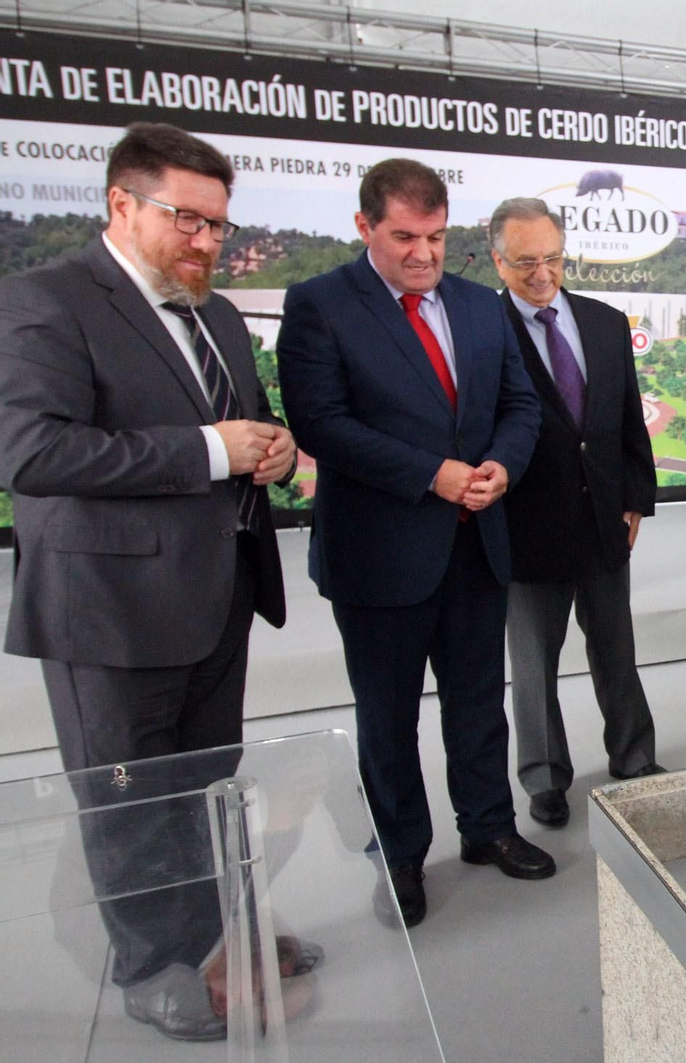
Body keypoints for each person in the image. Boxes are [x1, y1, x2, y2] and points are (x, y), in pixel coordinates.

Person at [0, 122, 297, 1040]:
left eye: (217, 224)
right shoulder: (45, 301)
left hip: (220, 596)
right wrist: (211, 450)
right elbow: (31, 450)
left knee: (206, 783)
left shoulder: (213, 312)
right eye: (188, 220)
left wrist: (273, 447)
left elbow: (242, 421)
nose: (207, 242)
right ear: (121, 203)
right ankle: (149, 967)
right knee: (128, 797)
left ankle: (214, 942)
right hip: (110, 611)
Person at [277, 159, 547, 928]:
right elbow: (321, 424)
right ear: (365, 227)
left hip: (476, 544)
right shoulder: (319, 304)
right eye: (405, 237)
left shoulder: (478, 305)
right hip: (379, 554)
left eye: (436, 236)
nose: (424, 254)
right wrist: (433, 474)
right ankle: (399, 855)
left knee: (476, 703)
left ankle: (489, 827)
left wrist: (502, 464)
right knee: (388, 717)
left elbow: (519, 405)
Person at [488, 197, 664, 829]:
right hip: (525, 529)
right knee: (533, 666)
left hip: (603, 523)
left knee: (617, 649)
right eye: (527, 262)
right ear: (498, 261)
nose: (543, 274)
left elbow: (625, 420)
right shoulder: (485, 328)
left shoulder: (604, 321)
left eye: (554, 258)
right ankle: (544, 778)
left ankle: (634, 756)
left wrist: (636, 499)